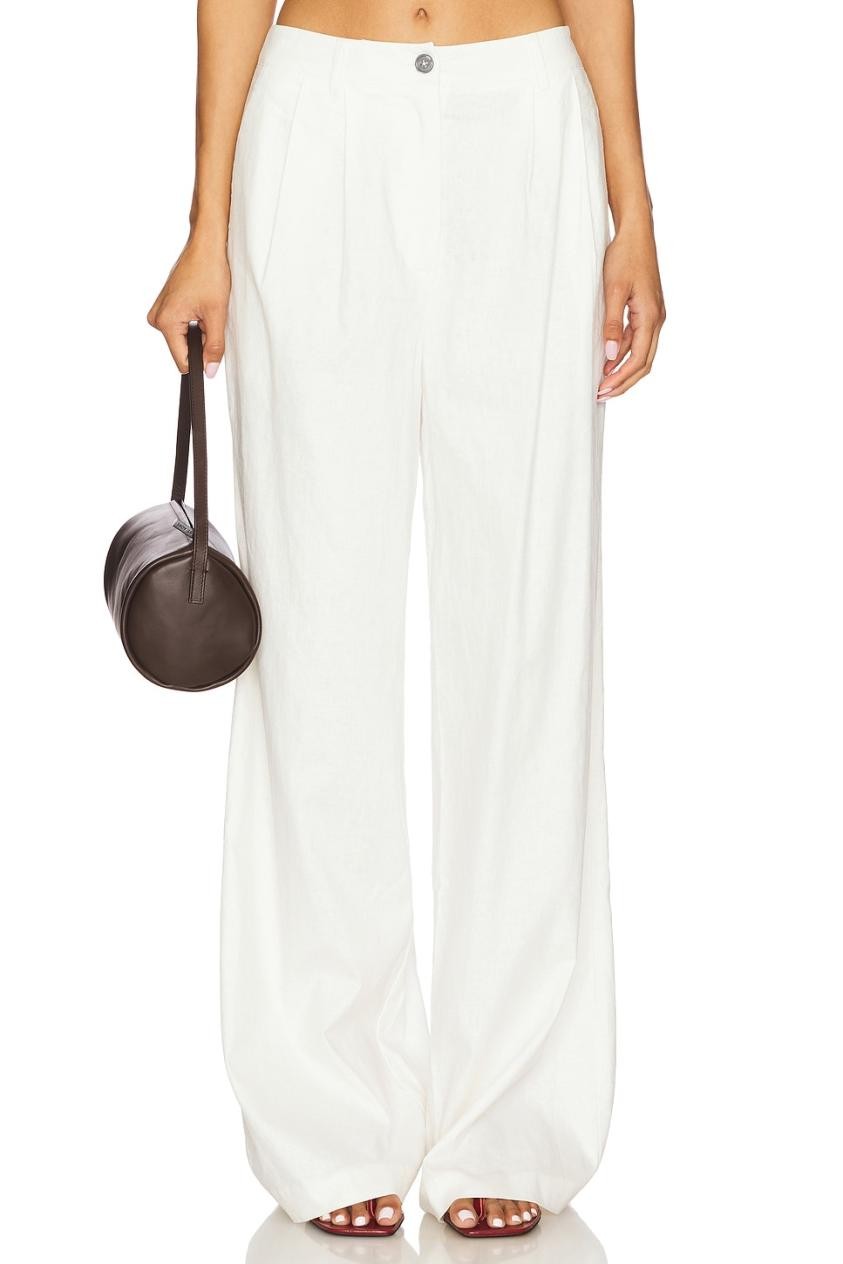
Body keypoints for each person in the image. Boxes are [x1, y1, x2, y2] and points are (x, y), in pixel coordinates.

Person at [147, 0, 665, 1240]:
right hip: (321, 112)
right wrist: (207, 221)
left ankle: (514, 1109)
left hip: (524, 114)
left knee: (528, 637)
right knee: (314, 650)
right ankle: (332, 1110)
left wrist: (632, 202)